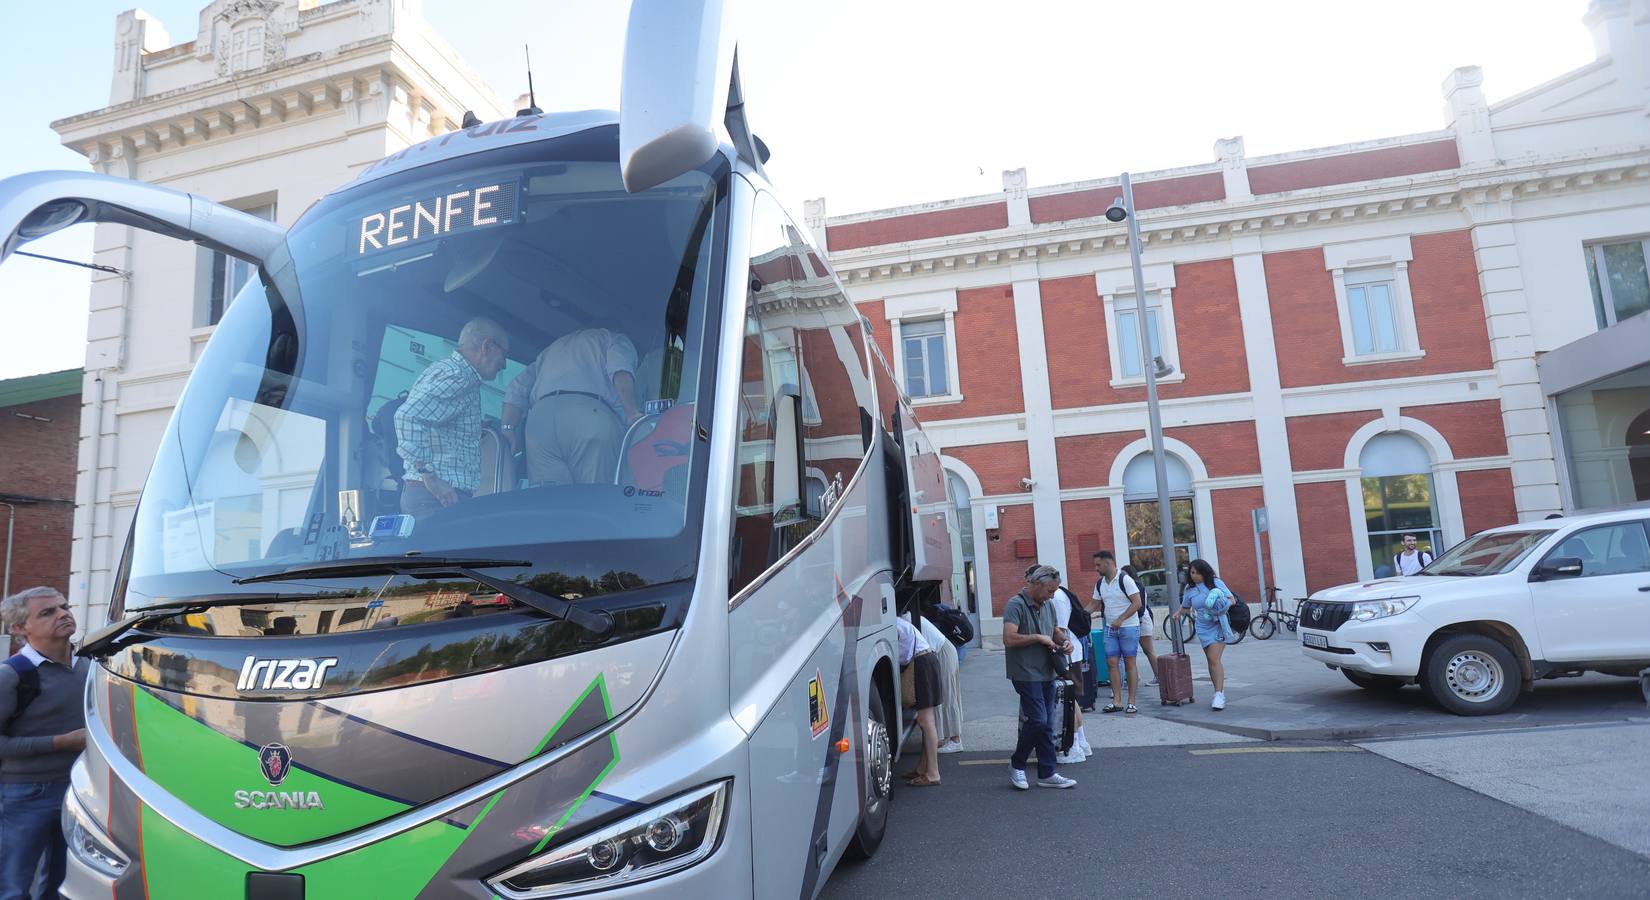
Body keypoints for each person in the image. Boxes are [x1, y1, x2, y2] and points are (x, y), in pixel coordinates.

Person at [0, 587, 90, 900]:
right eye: (47, 612)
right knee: (13, 887)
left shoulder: (91, 667)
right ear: (18, 628)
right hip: (25, 794)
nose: (63, 614)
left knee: (65, 885)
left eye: (63, 606)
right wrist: (61, 742)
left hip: (82, 791)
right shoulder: (12, 676)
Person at [394, 318, 512, 519]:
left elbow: (432, 418)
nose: (505, 364)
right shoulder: (460, 377)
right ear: (487, 347)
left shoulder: (442, 369)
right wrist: (430, 477)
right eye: (504, 354)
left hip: (428, 497)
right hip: (437, 498)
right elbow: (407, 416)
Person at [503, 328, 642, 486]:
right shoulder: (615, 338)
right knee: (595, 497)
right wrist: (632, 414)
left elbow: (517, 388)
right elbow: (620, 369)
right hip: (589, 416)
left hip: (540, 422)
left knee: (547, 499)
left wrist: (508, 428)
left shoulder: (551, 350)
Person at [1001, 565, 1077, 791]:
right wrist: (1037, 638)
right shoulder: (1015, 605)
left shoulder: (1048, 605)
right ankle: (1017, 764)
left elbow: (1053, 630)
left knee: (1048, 722)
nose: (1052, 595)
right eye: (1050, 590)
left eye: (1054, 591)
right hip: (1025, 672)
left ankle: (1047, 773)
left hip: (1047, 671)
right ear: (1036, 585)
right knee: (1038, 720)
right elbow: (1008, 639)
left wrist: (1065, 641)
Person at [1031, 564, 1088, 762]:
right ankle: (1081, 742)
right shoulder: (1055, 596)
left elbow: (1060, 629)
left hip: (1065, 655)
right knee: (1072, 701)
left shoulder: (1057, 598)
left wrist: (1058, 645)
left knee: (1068, 702)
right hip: (1065, 653)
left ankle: (1073, 747)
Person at [1173, 559, 1234, 710]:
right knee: (1210, 660)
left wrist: (1219, 608)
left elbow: (1231, 600)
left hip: (1218, 624)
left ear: (1204, 572)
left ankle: (1219, 695)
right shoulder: (1189, 588)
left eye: (1197, 573)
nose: (1194, 576)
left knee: (1214, 659)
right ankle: (1218, 691)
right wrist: (1178, 613)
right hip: (1202, 626)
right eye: (1192, 573)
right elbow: (1186, 606)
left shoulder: (1215, 582)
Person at [1092, 551, 1144, 715]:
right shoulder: (1100, 583)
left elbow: (1137, 603)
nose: (1096, 568)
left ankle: (1132, 702)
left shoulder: (1125, 580)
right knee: (1112, 663)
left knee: (1130, 663)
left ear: (1108, 563)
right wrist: (1079, 613)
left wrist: (1120, 619)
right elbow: (1094, 603)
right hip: (1110, 629)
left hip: (1128, 627)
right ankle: (1117, 701)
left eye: (1098, 565)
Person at [896, 615, 943, 786]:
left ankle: (933, 773)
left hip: (922, 663)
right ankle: (923, 768)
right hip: (926, 661)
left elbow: (901, 655)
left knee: (925, 720)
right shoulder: (897, 622)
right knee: (925, 720)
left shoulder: (893, 626)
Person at [917, 613, 965, 754]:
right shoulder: (911, 618)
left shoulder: (905, 622)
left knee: (947, 696)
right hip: (945, 650)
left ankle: (955, 740)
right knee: (948, 695)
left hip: (942, 653)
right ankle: (948, 737)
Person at [1120, 564, 1160, 687]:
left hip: (1141, 620)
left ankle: (1159, 676)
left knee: (1148, 650)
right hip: (1139, 620)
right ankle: (1135, 676)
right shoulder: (1134, 585)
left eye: (1123, 574)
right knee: (1131, 651)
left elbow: (1140, 607)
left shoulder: (1136, 586)